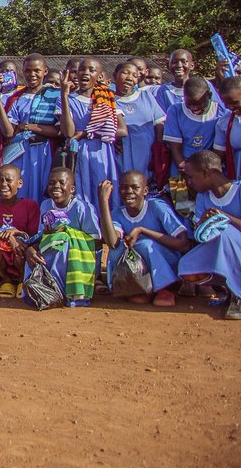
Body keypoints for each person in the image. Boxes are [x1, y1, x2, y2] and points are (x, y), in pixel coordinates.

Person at [96, 173, 190, 307]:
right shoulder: (117, 213)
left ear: (145, 191)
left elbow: (183, 244)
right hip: (138, 272)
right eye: (124, 187)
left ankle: (165, 288)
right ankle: (140, 287)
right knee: (118, 248)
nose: (129, 192)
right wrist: (103, 202)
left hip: (166, 264)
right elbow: (112, 242)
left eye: (135, 187)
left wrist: (142, 230)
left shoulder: (156, 207)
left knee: (146, 245)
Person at [178, 150, 241, 318]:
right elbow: (202, 237)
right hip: (226, 251)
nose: (189, 182)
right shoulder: (203, 198)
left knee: (225, 232)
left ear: (206, 172)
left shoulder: (239, 190)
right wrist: (202, 224)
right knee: (187, 265)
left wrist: (223, 217)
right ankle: (231, 290)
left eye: (191, 176)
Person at [60, 59, 127, 213]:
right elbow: (68, 133)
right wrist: (64, 95)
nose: (85, 73)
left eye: (92, 70)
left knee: (103, 190)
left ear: (99, 75)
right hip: (79, 153)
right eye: (82, 69)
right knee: (81, 190)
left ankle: (107, 230)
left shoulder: (107, 98)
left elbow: (122, 130)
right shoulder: (68, 99)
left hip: (103, 153)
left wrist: (86, 133)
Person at [0, 54, 59, 205]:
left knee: (42, 187)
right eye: (28, 71)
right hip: (21, 153)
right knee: (20, 189)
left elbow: (60, 131)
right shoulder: (16, 98)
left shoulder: (54, 96)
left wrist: (28, 127)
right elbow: (9, 132)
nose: (32, 75)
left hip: (44, 152)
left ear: (45, 71)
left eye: (37, 70)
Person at [33, 167, 101, 307]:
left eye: (61, 183)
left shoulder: (82, 208)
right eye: (52, 183)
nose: (56, 186)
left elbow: (96, 240)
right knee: (34, 253)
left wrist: (67, 232)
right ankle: (45, 288)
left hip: (79, 259)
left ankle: (65, 292)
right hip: (53, 253)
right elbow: (42, 235)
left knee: (63, 241)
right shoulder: (45, 205)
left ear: (72, 189)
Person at [0, 164, 40, 300]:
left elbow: (33, 236)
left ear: (19, 183)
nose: (3, 184)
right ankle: (6, 280)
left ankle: (20, 280)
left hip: (20, 248)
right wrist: (8, 237)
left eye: (8, 180)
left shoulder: (30, 205)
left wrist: (15, 233)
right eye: (0, 180)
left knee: (20, 251)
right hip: (0, 249)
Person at [113, 60, 166, 183]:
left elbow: (159, 124)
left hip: (147, 154)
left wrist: (158, 155)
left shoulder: (146, 96)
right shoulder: (107, 100)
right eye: (125, 73)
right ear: (115, 75)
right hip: (120, 156)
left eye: (134, 75)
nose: (129, 78)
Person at [164, 76, 224, 173]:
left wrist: (208, 170)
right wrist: (182, 166)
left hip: (209, 169)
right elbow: (174, 146)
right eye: (189, 104)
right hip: (182, 166)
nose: (194, 108)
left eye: (198, 103)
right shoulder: (175, 111)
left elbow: (220, 148)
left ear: (209, 95)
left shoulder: (220, 112)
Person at [213, 76, 241, 179]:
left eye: (234, 102)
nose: (230, 107)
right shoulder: (224, 122)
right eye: (226, 103)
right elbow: (218, 156)